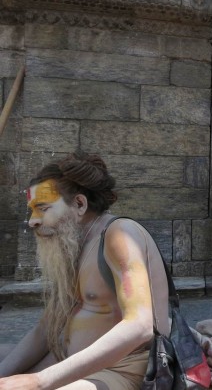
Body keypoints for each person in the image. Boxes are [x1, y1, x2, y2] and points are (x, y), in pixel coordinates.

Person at [0, 152, 170, 390]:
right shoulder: (73, 243)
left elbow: (140, 326)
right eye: (32, 210)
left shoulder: (120, 234)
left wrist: (39, 381)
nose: (32, 221)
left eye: (42, 208)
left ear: (79, 204)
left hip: (123, 370)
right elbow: (46, 330)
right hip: (66, 359)